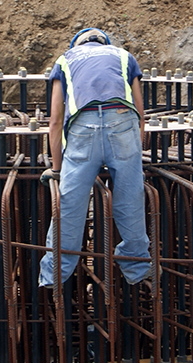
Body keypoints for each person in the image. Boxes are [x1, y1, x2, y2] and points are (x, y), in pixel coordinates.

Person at [39, 27, 152, 289]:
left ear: (76, 44)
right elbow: (140, 112)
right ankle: (136, 268)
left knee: (70, 205)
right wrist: (136, 154)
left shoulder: (65, 59)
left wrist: (57, 169)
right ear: (104, 43)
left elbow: (55, 120)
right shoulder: (124, 56)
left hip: (83, 128)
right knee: (130, 197)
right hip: (122, 125)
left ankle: (54, 276)